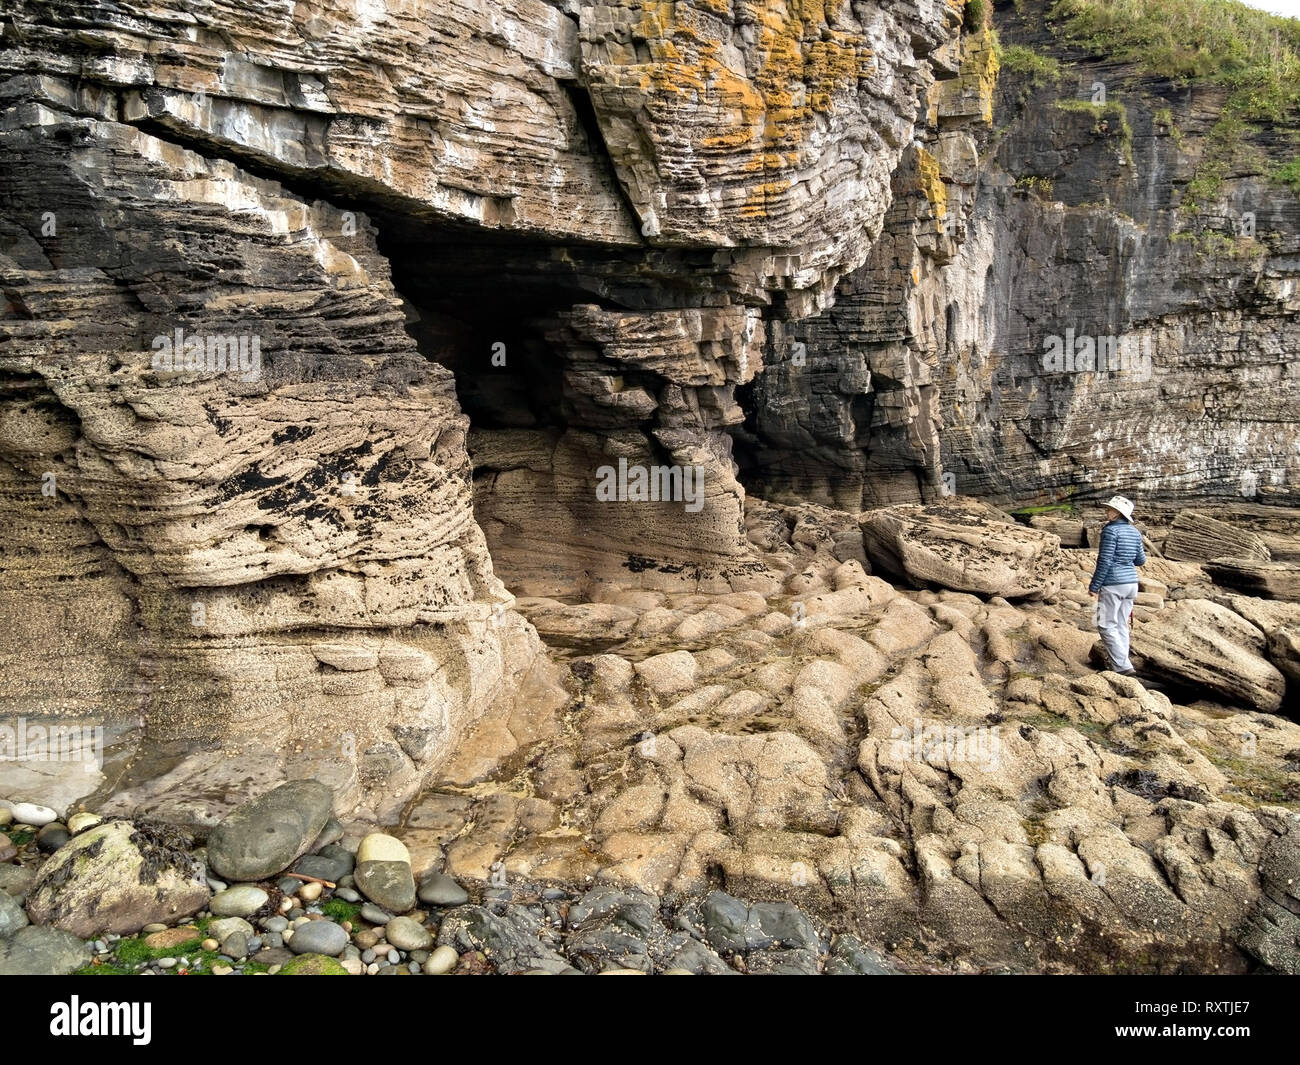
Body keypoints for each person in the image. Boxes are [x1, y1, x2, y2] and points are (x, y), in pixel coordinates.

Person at [1088, 495, 1146, 677]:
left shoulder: (1110, 531)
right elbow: (1140, 560)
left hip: (1114, 584)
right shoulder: (1135, 532)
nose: (1107, 511)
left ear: (1118, 513)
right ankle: (1124, 663)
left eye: (1110, 509)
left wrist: (1094, 585)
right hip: (1131, 584)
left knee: (1105, 625)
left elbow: (1104, 560)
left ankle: (1123, 667)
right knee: (1121, 624)